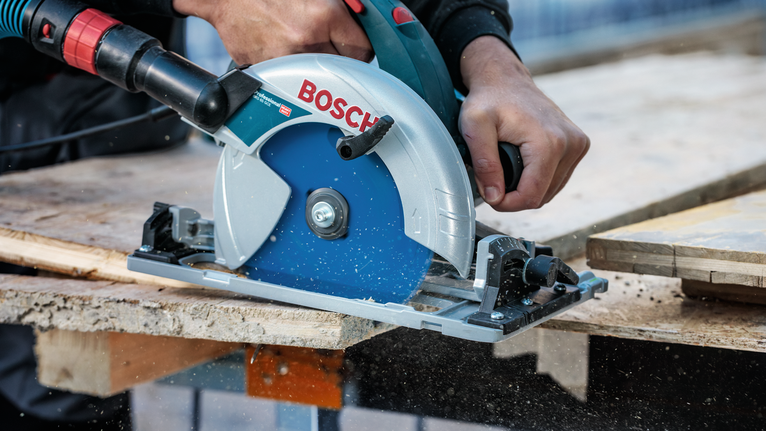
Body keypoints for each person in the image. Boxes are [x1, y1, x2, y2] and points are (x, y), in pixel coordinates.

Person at [0, 0, 589, 428]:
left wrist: (489, 57)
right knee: (37, 383)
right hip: (27, 86)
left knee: (66, 392)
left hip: (97, 108)